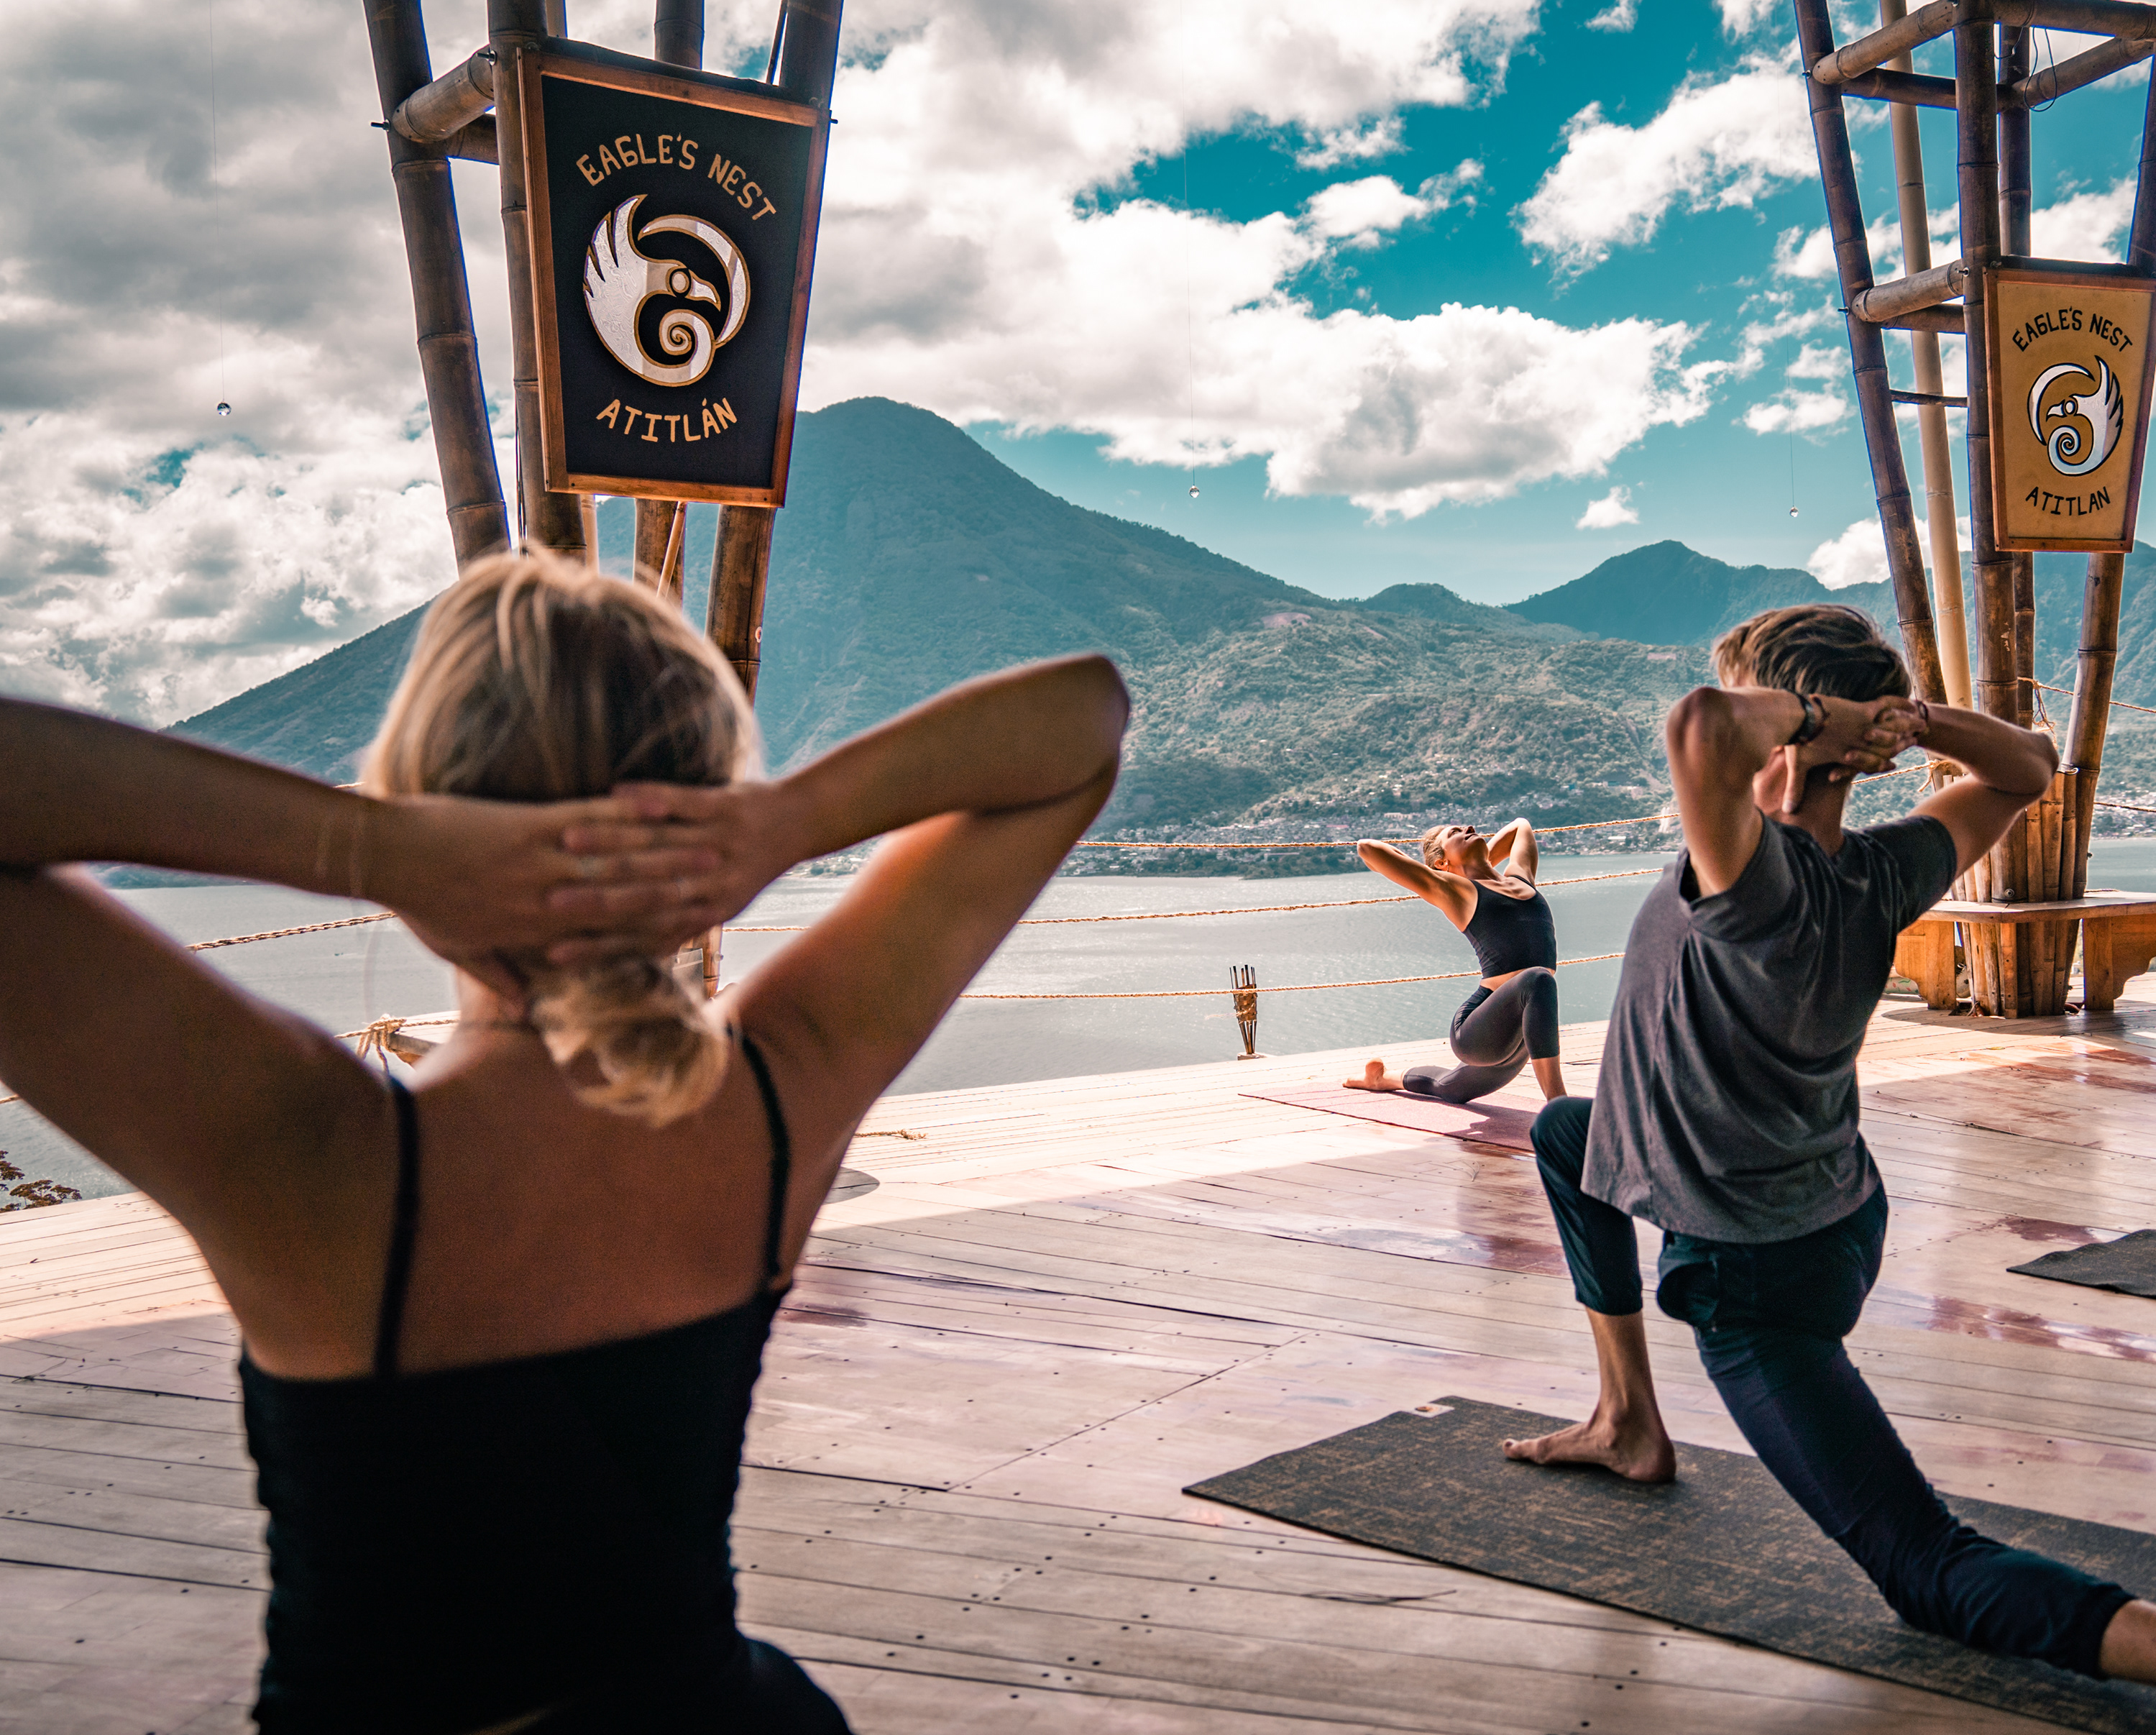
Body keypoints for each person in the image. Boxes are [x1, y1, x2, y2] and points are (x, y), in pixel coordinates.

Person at [0, 551, 1130, 1733]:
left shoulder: (320, 1163)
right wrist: (784, 825)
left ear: (420, 799)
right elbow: (1083, 719)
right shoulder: (775, 1100)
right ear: (706, 808)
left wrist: (366, 850)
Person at [1503, 603, 2156, 1735]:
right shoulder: (1886, 868)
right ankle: (1628, 1419)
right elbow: (2029, 766)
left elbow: (1704, 724)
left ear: (1782, 744)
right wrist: (1904, 726)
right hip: (1836, 1211)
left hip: (1754, 1272)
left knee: (1925, 1568)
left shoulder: (1754, 888)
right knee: (1568, 1138)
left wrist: (1823, 722)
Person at [1343, 818, 1563, 1104]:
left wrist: (1479, 861)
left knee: (1450, 1088)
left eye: (1467, 828)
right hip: (1478, 1032)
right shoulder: (1456, 892)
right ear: (1441, 863)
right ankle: (1559, 1107)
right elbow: (1368, 849)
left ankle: (1382, 1079)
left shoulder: (1520, 877)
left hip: (1519, 1035)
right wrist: (1454, 874)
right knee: (1537, 979)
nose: (1469, 829)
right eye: (1456, 833)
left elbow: (1521, 826)